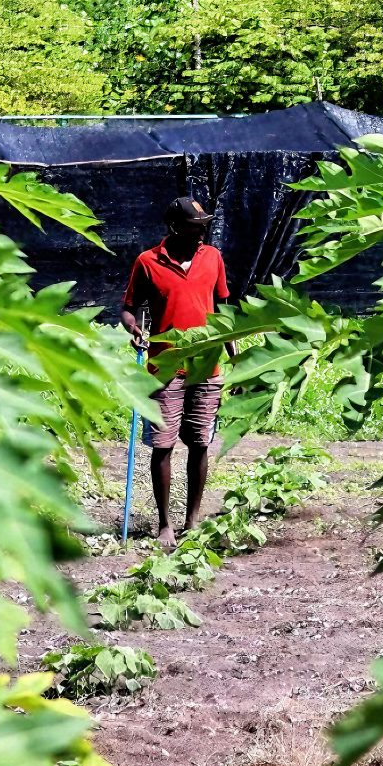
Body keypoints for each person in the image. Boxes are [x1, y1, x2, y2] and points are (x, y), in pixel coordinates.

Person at [121, 196, 237, 547]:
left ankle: (193, 520)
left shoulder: (212, 258)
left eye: (203, 226)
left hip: (206, 367)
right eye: (193, 226)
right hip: (164, 368)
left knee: (200, 443)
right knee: (163, 445)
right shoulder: (148, 261)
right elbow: (128, 307)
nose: (201, 232)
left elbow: (223, 311)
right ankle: (164, 525)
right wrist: (133, 328)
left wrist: (237, 358)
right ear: (174, 227)